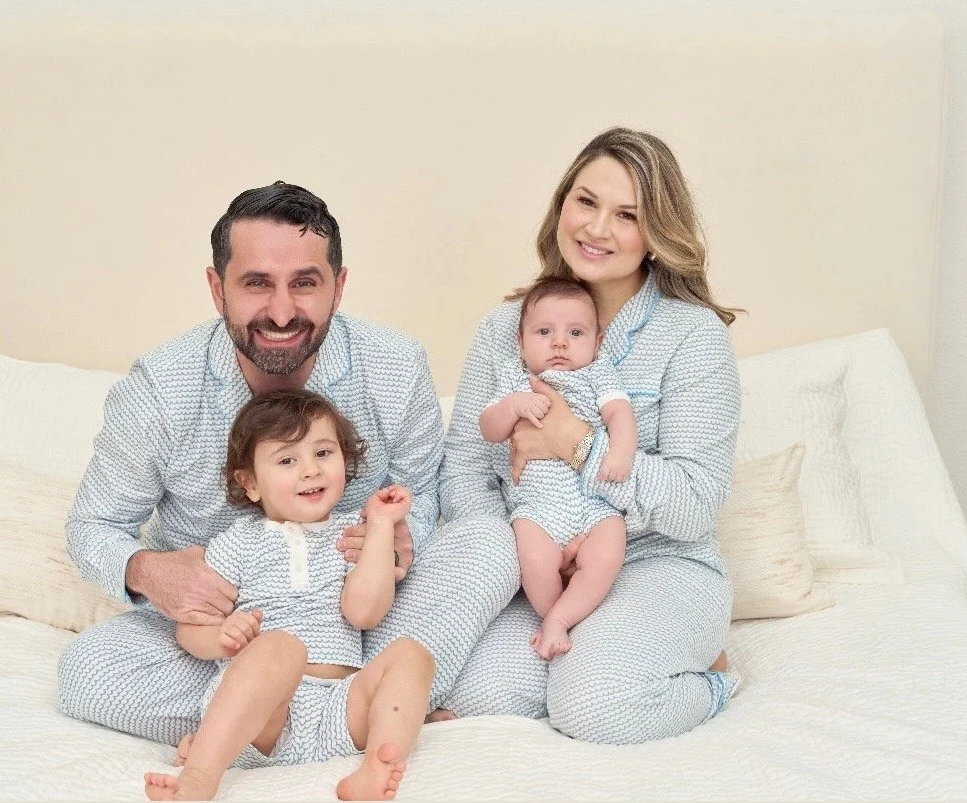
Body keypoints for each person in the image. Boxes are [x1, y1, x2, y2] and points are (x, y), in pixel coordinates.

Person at [58, 181, 517, 766]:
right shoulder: (159, 389)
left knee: (489, 541)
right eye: (256, 284)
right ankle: (356, 716)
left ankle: (255, 729)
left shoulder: (396, 366)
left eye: (304, 283)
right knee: (85, 672)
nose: (280, 312)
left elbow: (423, 490)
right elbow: (93, 525)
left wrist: (401, 540)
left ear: (338, 286)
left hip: (361, 613)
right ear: (217, 289)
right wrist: (148, 571)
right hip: (228, 637)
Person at [436, 127, 742, 744]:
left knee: (593, 706)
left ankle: (712, 677)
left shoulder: (693, 337)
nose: (597, 228)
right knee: (459, 691)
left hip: (658, 562)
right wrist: (527, 543)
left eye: (627, 215)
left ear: (657, 233)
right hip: (541, 564)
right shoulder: (504, 328)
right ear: (562, 205)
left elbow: (694, 504)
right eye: (586, 201)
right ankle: (593, 652)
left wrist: (577, 444)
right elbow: (464, 468)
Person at [144, 390, 433, 801]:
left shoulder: (353, 535)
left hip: (338, 709)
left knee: (412, 655)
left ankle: (375, 768)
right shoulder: (236, 543)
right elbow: (188, 628)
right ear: (250, 483)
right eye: (287, 461)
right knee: (282, 647)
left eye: (323, 453)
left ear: (345, 461)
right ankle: (200, 776)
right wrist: (223, 635)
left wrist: (381, 526)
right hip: (262, 715)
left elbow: (364, 613)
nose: (310, 470)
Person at [479, 276, 636, 660]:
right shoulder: (516, 380)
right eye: (544, 332)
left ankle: (563, 618)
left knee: (610, 545)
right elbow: (488, 429)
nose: (560, 343)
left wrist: (619, 453)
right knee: (533, 560)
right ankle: (552, 614)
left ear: (598, 342)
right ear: (520, 342)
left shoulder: (597, 374)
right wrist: (512, 407)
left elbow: (620, 414)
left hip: (593, 503)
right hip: (537, 509)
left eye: (576, 333)